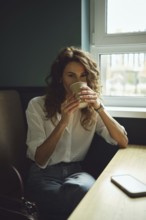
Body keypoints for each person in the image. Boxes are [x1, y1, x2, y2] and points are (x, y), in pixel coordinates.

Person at [25, 46, 128, 220]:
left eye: (83, 75)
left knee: (82, 190)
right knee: (83, 198)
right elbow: (40, 159)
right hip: (43, 174)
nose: (77, 80)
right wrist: (63, 120)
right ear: (60, 78)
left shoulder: (90, 109)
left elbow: (122, 141)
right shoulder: (37, 105)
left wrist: (99, 107)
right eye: (70, 75)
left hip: (76, 173)